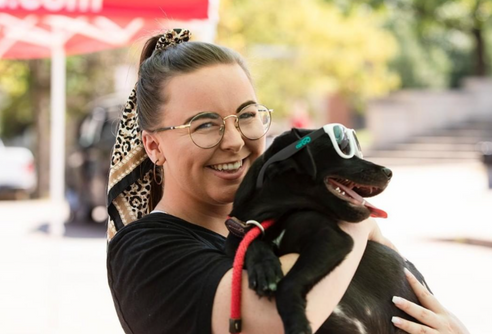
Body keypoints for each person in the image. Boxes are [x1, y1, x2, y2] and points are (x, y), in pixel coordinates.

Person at [106, 28, 470, 334]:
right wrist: (354, 216)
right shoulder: (144, 252)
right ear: (153, 145)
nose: (234, 140)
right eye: (204, 124)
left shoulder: (276, 225)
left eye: (246, 116)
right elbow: (271, 322)